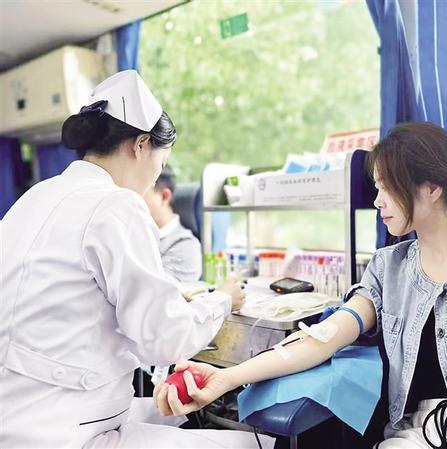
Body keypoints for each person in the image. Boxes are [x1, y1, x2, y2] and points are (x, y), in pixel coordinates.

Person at [154, 122, 447, 449]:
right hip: (424, 432)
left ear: (432, 186)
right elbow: (322, 340)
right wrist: (226, 378)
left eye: (386, 187)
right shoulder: (388, 267)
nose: (377, 200)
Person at [0, 70, 274, 449]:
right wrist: (223, 299)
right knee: (254, 444)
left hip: (20, 415)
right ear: (142, 145)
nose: (156, 177)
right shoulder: (116, 205)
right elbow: (166, 340)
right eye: (161, 163)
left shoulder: (34, 197)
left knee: (174, 414)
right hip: (68, 430)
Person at [143, 164, 202, 283]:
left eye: (138, 195)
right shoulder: (131, 233)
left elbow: (156, 291)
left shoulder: (185, 247)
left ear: (164, 197)